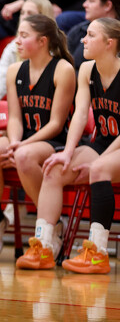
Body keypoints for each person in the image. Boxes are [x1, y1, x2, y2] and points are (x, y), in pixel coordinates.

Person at [16, 17, 120, 273]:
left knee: (99, 169)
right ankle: (44, 246)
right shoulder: (86, 70)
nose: (83, 39)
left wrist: (99, 161)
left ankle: (97, 253)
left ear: (110, 43)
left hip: (116, 146)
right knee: (54, 168)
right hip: (103, 142)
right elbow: (80, 115)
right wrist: (67, 153)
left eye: (91, 35)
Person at [0, 14, 76, 261]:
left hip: (53, 139)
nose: (17, 41)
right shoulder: (15, 70)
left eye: (24, 36)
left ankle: (51, 224)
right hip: (23, 137)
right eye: (17, 35)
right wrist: (14, 142)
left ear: (43, 41)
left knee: (23, 156)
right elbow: (14, 117)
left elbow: (56, 124)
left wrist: (22, 145)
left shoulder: (63, 69)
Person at [0, 0, 54, 101]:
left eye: (30, 14)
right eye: (22, 13)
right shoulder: (13, 47)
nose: (24, 17)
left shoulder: (55, 52)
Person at [67, 0, 120, 71]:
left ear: (108, 5)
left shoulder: (117, 34)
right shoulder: (78, 30)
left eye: (91, 1)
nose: (84, 4)